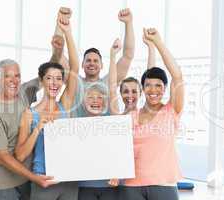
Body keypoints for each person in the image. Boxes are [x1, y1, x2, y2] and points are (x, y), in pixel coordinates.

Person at [14, 12, 79, 200]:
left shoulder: (64, 104)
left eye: (59, 79)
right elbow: (19, 155)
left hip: (69, 180)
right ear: (42, 81)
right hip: (44, 180)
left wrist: (67, 32)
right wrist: (38, 129)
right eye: (49, 78)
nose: (54, 83)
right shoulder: (30, 114)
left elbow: (74, 69)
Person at [117, 28, 185, 200]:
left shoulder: (171, 111)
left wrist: (157, 43)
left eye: (158, 86)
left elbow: (177, 76)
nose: (153, 90)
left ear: (165, 89)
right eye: (148, 85)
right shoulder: (131, 116)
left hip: (163, 185)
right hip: (131, 186)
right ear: (142, 89)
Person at [0, 59, 55, 200]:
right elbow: (2, 157)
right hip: (3, 183)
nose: (14, 81)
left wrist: (57, 49)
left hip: (25, 179)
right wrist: (34, 177)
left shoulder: (23, 92)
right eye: (7, 76)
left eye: (17, 76)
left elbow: (48, 71)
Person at [52, 8, 135, 117]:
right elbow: (58, 55)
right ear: (82, 65)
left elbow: (127, 56)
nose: (92, 63)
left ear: (101, 65)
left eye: (96, 61)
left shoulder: (109, 82)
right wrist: (61, 23)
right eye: (88, 60)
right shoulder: (75, 82)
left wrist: (128, 23)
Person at [77, 38, 123, 200]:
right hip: (84, 184)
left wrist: (113, 55)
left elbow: (111, 86)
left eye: (99, 97)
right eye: (90, 97)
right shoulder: (75, 127)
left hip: (109, 184)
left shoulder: (112, 119)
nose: (95, 100)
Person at [118, 28, 156, 114]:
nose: (130, 95)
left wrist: (151, 46)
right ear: (120, 93)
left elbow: (151, 78)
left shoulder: (144, 115)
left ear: (141, 93)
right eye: (126, 91)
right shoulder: (117, 119)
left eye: (134, 91)